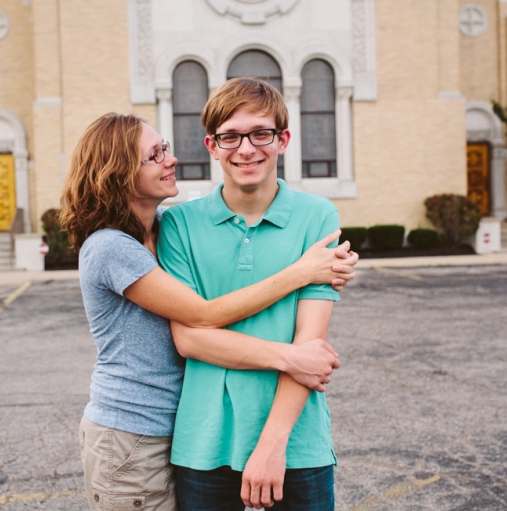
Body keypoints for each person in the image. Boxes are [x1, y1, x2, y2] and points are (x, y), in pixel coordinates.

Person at [59, 112, 356, 511]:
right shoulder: (112, 247)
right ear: (119, 173)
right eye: (155, 154)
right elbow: (200, 316)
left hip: (173, 426)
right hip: (130, 431)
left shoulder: (164, 224)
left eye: (164, 147)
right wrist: (301, 276)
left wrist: (328, 268)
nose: (171, 159)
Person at [157, 77, 343, 510]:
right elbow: (189, 338)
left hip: (297, 441)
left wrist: (272, 446)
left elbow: (309, 345)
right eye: (230, 136)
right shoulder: (179, 225)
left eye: (260, 133)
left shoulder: (318, 217)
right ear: (211, 144)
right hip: (205, 443)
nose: (246, 149)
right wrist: (289, 354)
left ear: (283, 140)